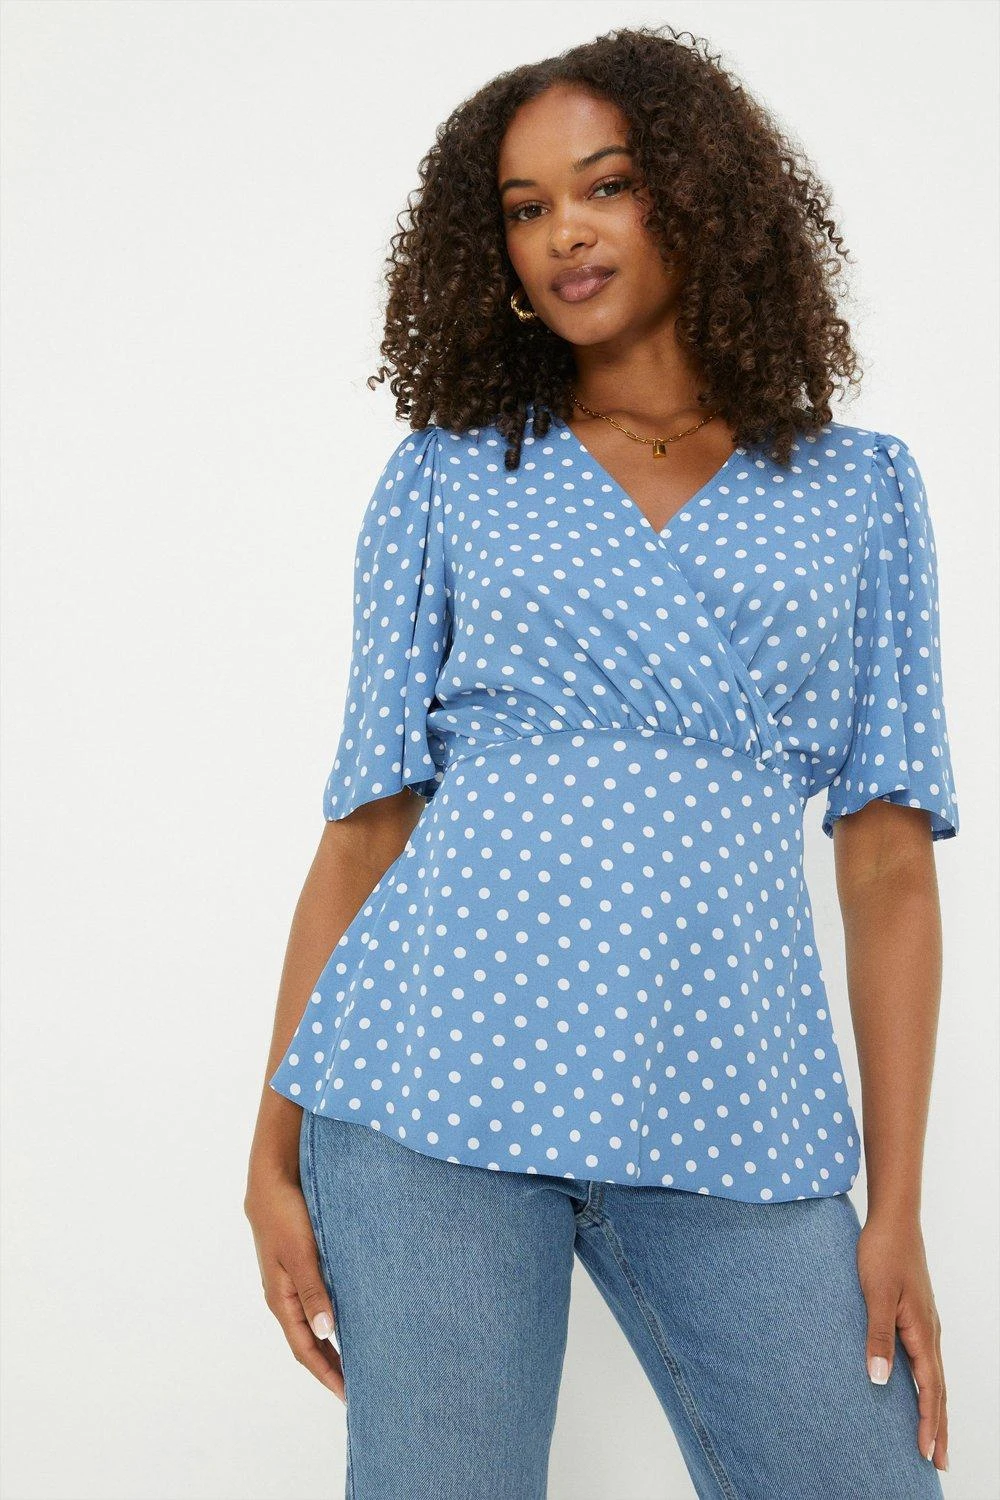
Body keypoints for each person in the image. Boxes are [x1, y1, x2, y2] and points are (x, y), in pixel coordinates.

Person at [245, 23, 959, 1499]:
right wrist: (272, 1148)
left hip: (732, 1105)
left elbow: (888, 864)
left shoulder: (859, 490)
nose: (565, 231)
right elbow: (367, 827)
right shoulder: (451, 473)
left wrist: (895, 1208)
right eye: (526, 207)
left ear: (696, 197)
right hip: (429, 1093)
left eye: (606, 185)